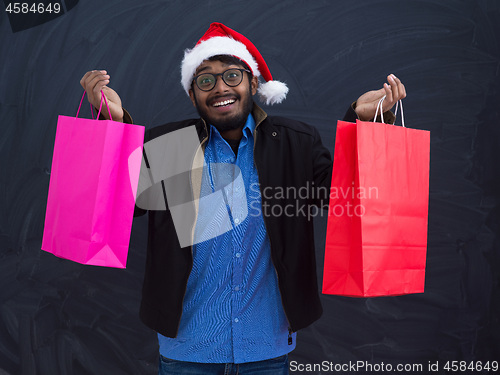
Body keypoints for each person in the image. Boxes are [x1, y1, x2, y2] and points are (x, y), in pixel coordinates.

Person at [80, 22, 406, 375]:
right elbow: (118, 203)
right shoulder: (169, 146)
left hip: (266, 349)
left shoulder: (296, 143)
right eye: (205, 80)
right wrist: (110, 125)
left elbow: (343, 195)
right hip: (187, 350)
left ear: (253, 83)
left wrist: (368, 120)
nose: (220, 88)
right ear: (193, 95)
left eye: (232, 76)